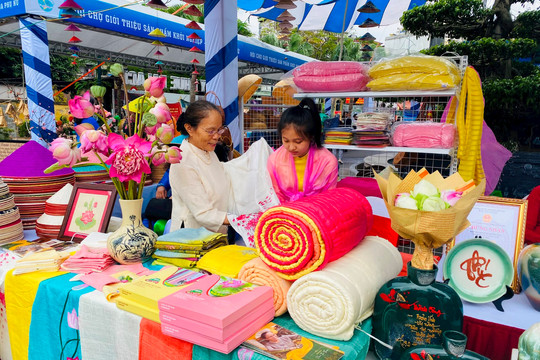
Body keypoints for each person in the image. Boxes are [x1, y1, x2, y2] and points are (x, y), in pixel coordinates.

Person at [169, 100, 231, 234]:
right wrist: (241, 220)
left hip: (215, 235)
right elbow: (203, 213)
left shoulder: (209, 152)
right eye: (210, 131)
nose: (216, 136)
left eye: (219, 129)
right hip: (192, 238)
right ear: (190, 129)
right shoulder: (183, 161)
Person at [267, 97, 338, 203]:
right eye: (286, 141)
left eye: (298, 141)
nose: (291, 147)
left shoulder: (327, 162)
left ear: (311, 136)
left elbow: (328, 198)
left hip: (317, 212)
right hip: (284, 211)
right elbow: (275, 194)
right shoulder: (274, 160)